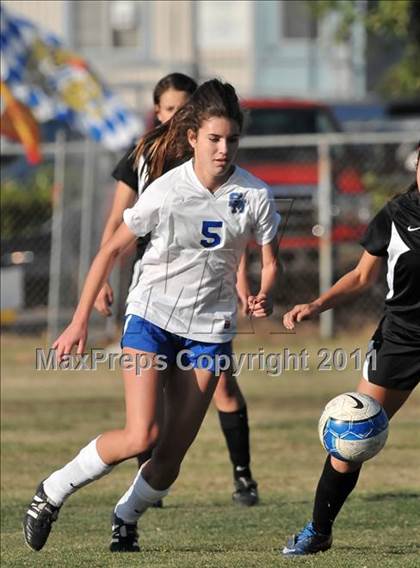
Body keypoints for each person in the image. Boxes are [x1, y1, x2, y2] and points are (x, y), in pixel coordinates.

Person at [23, 79, 281, 553]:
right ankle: (51, 492)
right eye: (214, 139)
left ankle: (125, 516)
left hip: (209, 331)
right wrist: (78, 321)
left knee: (169, 459)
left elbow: (270, 259)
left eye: (232, 140)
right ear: (192, 139)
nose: (224, 150)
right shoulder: (167, 190)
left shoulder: (256, 195)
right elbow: (110, 251)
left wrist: (263, 292)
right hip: (152, 316)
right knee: (143, 432)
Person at [97, 72, 261, 507]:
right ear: (159, 113)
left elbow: (233, 230)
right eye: (168, 109)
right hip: (156, 290)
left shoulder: (213, 157)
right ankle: (144, 491)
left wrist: (243, 280)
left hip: (207, 298)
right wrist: (101, 281)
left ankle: (242, 476)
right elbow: (118, 221)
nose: (175, 116)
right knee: (146, 416)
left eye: (183, 108)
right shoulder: (147, 155)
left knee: (223, 386)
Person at [281, 148, 420, 556]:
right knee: (350, 435)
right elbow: (361, 276)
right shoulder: (396, 215)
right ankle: (318, 530)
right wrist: (316, 305)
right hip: (400, 340)